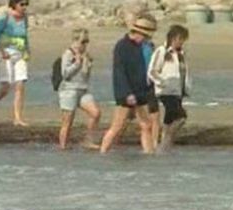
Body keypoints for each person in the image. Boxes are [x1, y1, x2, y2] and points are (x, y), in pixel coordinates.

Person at [100, 17, 157, 154]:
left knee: (146, 125)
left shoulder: (142, 46)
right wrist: (127, 93)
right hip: (126, 93)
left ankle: (148, 154)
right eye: (145, 36)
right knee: (117, 126)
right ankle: (103, 152)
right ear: (138, 32)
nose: (145, 39)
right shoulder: (122, 46)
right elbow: (119, 71)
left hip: (139, 91)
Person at [0, 0, 31, 127]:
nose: (24, 7)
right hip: (6, 54)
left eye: (26, 4)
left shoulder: (25, 18)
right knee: (5, 88)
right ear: (14, 4)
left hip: (20, 55)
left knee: (20, 85)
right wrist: (2, 51)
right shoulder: (5, 18)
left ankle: (18, 118)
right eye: (22, 4)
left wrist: (27, 50)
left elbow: (25, 36)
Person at [147, 24, 191, 153]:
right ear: (174, 38)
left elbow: (184, 73)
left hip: (178, 92)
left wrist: (186, 88)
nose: (182, 42)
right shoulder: (162, 51)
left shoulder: (181, 54)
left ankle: (164, 148)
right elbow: (152, 71)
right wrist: (162, 82)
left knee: (169, 120)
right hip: (165, 91)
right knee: (181, 117)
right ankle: (165, 142)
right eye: (181, 39)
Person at [58, 28, 102, 150]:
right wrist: (77, 63)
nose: (85, 45)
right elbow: (65, 74)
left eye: (87, 41)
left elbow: (85, 76)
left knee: (95, 113)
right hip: (69, 90)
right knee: (67, 122)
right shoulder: (68, 54)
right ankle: (63, 147)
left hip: (83, 90)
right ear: (76, 40)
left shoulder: (85, 55)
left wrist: (87, 65)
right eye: (83, 41)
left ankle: (88, 140)